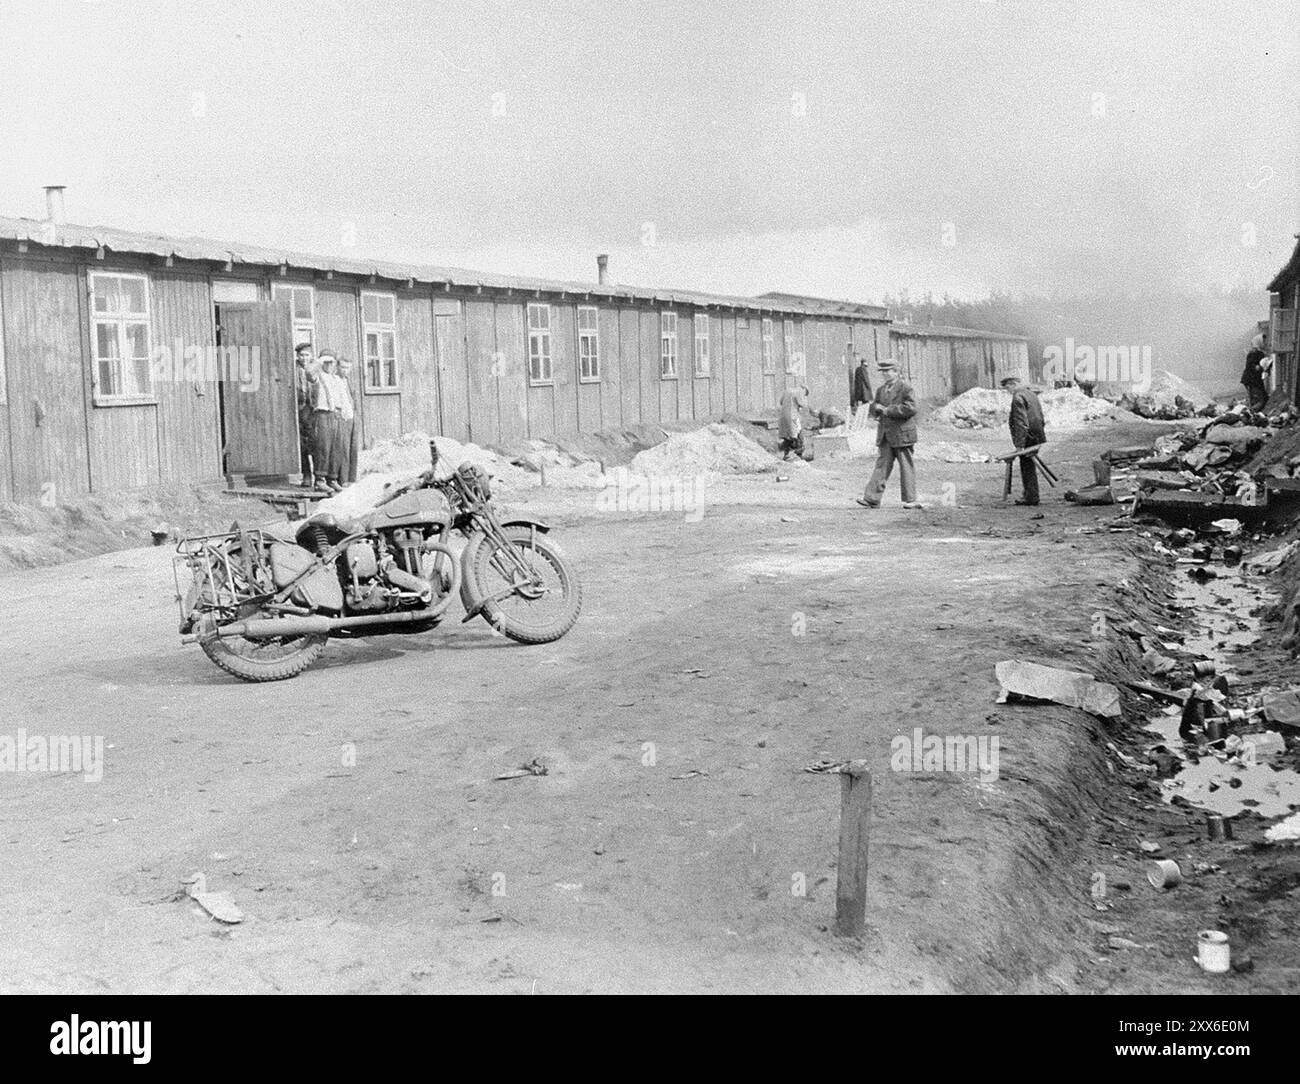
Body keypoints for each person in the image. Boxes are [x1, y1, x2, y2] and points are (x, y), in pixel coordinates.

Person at [856, 358, 922, 509]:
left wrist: (887, 410)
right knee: (881, 466)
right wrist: (875, 409)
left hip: (902, 434)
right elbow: (875, 408)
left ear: (896, 372)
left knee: (906, 466)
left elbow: (911, 408)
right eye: (882, 371)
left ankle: (910, 500)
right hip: (885, 434)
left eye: (887, 371)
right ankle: (872, 499)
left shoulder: (906, 388)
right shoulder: (880, 390)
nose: (884, 374)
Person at [1002, 374, 1047, 506]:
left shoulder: (1017, 397)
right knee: (1029, 465)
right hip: (1037, 435)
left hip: (1028, 436)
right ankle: (1030, 494)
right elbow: (1040, 416)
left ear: (1013, 384)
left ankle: (1031, 497)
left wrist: (1019, 444)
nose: (1008, 391)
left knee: (1026, 466)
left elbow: (1021, 422)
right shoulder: (1031, 394)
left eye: (1007, 388)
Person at [310, 352, 346, 492]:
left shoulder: (336, 379)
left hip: (335, 414)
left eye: (332, 362)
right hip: (323, 414)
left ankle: (332, 479)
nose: (329, 365)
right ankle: (320, 481)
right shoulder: (318, 377)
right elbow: (309, 373)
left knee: (336, 448)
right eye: (326, 362)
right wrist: (319, 362)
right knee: (323, 447)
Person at [294, 344, 318, 487]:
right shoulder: (293, 369)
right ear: (298, 356)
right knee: (302, 445)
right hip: (300, 409)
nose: (304, 358)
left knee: (315, 444)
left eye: (307, 355)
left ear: (311, 356)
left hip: (313, 410)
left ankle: (318, 476)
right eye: (301, 355)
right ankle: (306, 475)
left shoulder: (316, 369)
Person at [336, 356, 360, 485]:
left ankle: (352, 478)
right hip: (341, 418)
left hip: (352, 416)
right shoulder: (335, 380)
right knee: (343, 448)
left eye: (348, 368)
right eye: (343, 367)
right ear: (338, 367)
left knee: (353, 447)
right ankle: (343, 479)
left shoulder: (350, 381)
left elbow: (353, 398)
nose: (345, 370)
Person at [777, 384, 811, 461]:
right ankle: (799, 455)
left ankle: (786, 454)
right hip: (793, 417)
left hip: (783, 417)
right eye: (805, 394)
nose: (804, 395)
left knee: (787, 436)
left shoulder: (787, 390)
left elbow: (781, 402)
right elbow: (803, 404)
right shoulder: (799, 392)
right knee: (799, 435)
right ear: (804, 389)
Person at [1242, 334, 1270, 413]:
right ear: (1259, 342)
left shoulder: (1259, 352)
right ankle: (1252, 414)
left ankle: (1253, 414)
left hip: (1255, 380)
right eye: (1264, 341)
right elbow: (1250, 365)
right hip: (1252, 380)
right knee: (1259, 399)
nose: (1265, 343)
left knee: (1262, 397)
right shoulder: (1255, 353)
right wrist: (1258, 367)